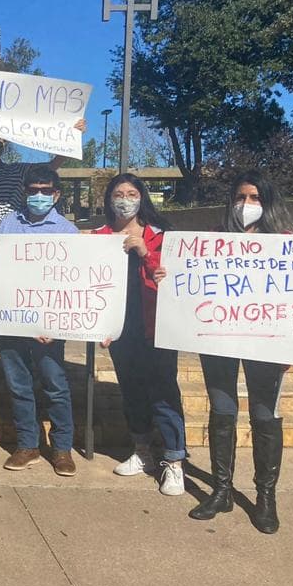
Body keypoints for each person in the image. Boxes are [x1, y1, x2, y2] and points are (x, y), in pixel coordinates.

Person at [156, 170, 293, 533]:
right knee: (223, 411)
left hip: (267, 347)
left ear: (268, 202)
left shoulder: (290, 246)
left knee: (264, 416)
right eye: (241, 197)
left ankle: (265, 497)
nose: (247, 205)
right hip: (218, 343)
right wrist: (169, 279)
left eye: (255, 198)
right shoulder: (212, 243)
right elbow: (187, 283)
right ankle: (222, 490)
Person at [0, 107, 86, 366]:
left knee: (15, 290)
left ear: (6, 143)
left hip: (12, 235)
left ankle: (14, 342)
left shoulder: (19, 171)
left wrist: (73, 135)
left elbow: (52, 167)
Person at [0, 165, 78, 477]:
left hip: (49, 325)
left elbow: (75, 280)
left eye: (45, 190)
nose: (38, 195)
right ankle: (28, 445)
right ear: (25, 192)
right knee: (18, 384)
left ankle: (62, 448)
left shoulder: (67, 231)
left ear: (56, 194)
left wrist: (56, 322)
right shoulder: (8, 223)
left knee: (55, 384)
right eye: (33, 189)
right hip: (12, 320)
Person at [93, 174, 186, 496]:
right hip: (120, 330)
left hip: (157, 327)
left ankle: (174, 461)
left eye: (132, 193)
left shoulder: (162, 235)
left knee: (163, 393)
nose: (125, 199)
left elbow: (178, 277)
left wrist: (146, 252)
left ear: (142, 197)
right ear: (109, 200)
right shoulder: (100, 236)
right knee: (131, 391)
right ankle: (143, 451)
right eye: (118, 193)